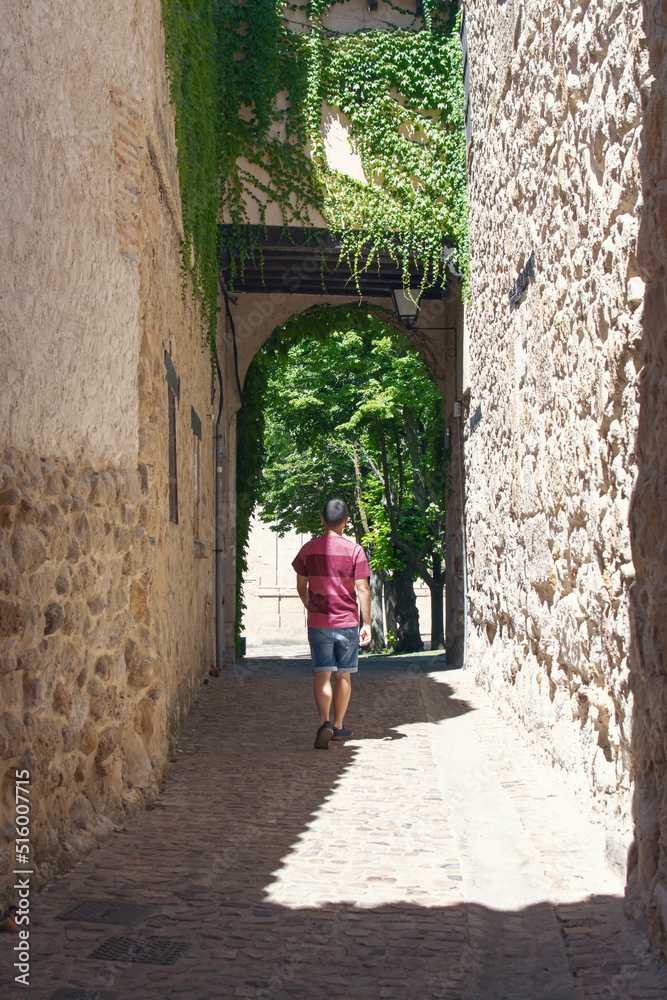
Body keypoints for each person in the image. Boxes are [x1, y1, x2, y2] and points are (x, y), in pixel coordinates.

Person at [292, 498, 371, 749]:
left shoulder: (308, 549)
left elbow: (300, 586)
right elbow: (363, 589)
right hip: (347, 622)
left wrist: (311, 606)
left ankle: (324, 722)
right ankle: (338, 726)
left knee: (322, 673)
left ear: (322, 519)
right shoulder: (355, 550)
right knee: (344, 676)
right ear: (346, 521)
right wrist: (366, 623)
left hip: (319, 622)